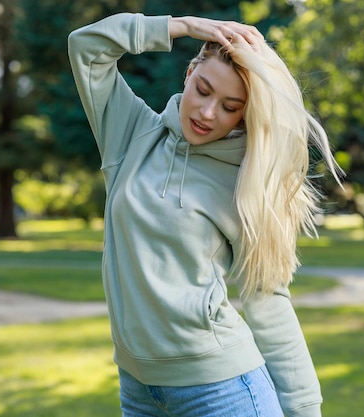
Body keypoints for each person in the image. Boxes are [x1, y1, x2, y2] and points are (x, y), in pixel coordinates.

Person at [68, 12, 342, 417]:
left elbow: (267, 300)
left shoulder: (245, 180)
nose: (208, 113)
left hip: (223, 391)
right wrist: (182, 26)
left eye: (230, 107)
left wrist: (305, 409)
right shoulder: (129, 135)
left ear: (243, 116)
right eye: (203, 90)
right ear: (190, 72)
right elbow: (86, 48)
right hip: (138, 389)